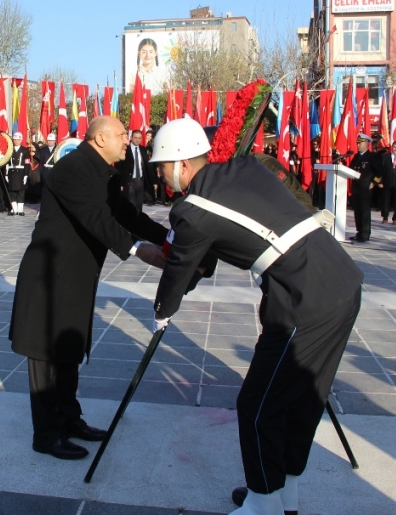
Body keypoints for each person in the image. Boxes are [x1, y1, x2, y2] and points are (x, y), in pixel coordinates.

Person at [148, 118, 363, 515]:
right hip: (341, 280)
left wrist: (163, 311)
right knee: (302, 400)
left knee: (258, 405)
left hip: (305, 297)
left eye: (161, 166)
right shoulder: (245, 167)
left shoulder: (191, 210)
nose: (160, 175)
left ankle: (262, 505)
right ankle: (284, 497)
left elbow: (181, 267)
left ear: (181, 164)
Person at [9, 115, 168, 461]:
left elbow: (127, 215)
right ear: (99, 139)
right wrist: (139, 250)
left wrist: (169, 236)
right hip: (50, 274)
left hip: (75, 276)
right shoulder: (73, 168)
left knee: (68, 351)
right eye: (122, 134)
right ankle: (46, 434)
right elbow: (95, 218)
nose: (128, 139)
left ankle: (69, 419)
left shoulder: (103, 173)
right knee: (45, 355)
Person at [348, 134, 380, 242]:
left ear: (366, 144)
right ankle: (359, 232)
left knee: (365, 211)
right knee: (357, 210)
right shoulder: (356, 156)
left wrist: (374, 182)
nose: (358, 145)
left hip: (366, 186)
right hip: (356, 186)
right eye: (357, 143)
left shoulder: (372, 156)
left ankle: (365, 234)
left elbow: (380, 171)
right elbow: (351, 169)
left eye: (360, 143)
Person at [115, 130, 150, 213]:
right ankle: (131, 222)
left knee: (139, 204)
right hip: (129, 181)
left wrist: (154, 181)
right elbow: (119, 167)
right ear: (131, 138)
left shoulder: (143, 150)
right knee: (131, 203)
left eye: (139, 138)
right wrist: (121, 183)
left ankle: (138, 222)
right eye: (135, 138)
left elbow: (147, 166)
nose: (137, 140)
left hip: (140, 181)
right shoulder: (125, 149)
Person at [6, 132, 30, 216]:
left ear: (21, 140)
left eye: (18, 139)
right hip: (11, 172)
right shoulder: (9, 149)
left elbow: (27, 163)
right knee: (12, 192)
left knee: (20, 192)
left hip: (21, 173)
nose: (16, 141)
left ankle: (20, 209)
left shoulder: (25, 150)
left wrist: (26, 175)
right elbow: (7, 163)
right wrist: (6, 174)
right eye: (15, 139)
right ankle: (14, 209)